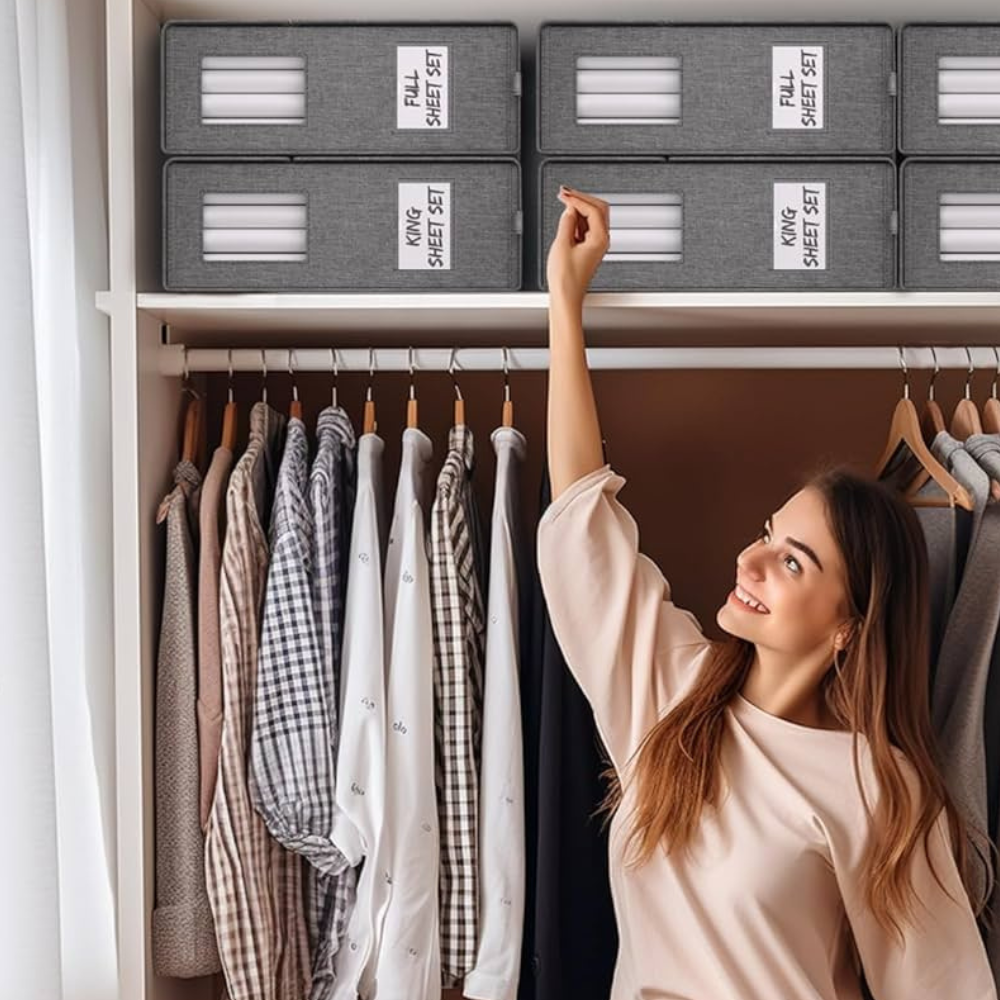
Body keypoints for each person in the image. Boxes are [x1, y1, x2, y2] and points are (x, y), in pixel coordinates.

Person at [537, 184, 999, 1000]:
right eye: (766, 534)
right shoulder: (669, 692)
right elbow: (581, 512)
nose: (750, 561)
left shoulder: (882, 790)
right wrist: (566, 303)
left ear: (850, 623)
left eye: (793, 562)